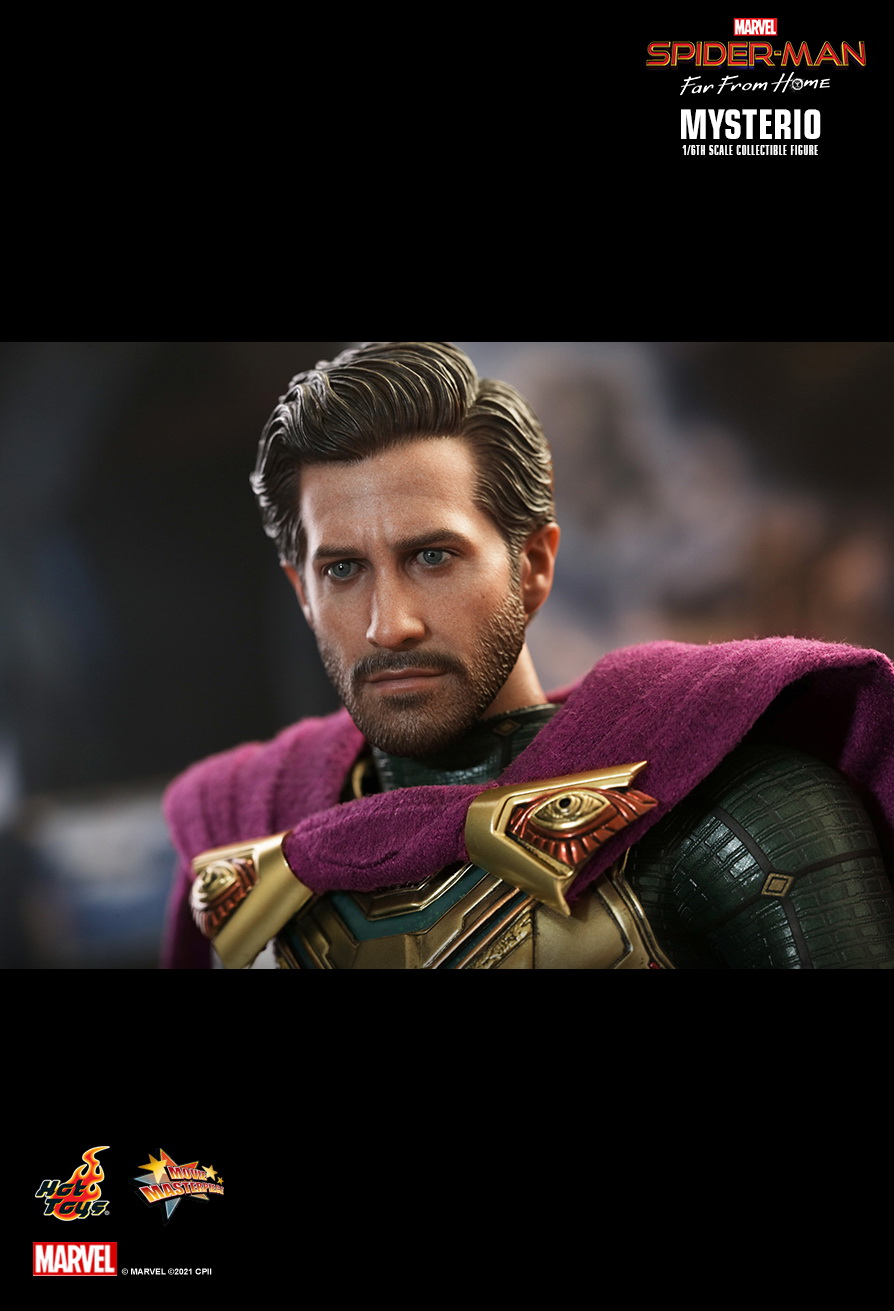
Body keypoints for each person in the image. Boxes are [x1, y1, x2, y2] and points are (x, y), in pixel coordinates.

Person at [163, 342, 894, 969]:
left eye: (433, 556)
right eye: (344, 569)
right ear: (302, 592)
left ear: (533, 566)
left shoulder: (737, 818)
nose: (390, 625)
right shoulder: (244, 856)